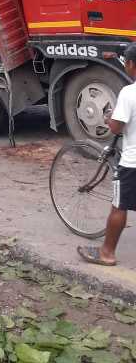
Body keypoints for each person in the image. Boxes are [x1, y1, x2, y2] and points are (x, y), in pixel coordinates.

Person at [77, 42, 136, 266]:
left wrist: (108, 117)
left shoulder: (129, 93)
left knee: (119, 206)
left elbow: (116, 127)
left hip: (133, 163)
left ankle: (106, 253)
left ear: (130, 64)